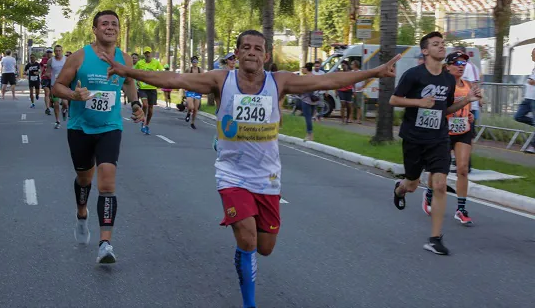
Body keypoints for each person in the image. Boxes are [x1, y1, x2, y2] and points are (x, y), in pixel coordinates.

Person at [103, 29, 399, 306]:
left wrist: (374, 71)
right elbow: (173, 79)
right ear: (237, 53)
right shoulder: (221, 80)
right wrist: (127, 71)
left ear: (266, 56)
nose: (252, 53)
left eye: (258, 49)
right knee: (247, 237)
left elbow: (328, 81)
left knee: (265, 247)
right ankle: (249, 302)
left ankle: (244, 257)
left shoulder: (279, 82)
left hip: (267, 177)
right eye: (246, 48)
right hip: (232, 174)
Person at [51, 10, 144, 264]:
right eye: (104, 23)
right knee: (84, 178)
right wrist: (73, 96)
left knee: (107, 181)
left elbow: (128, 82)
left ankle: (105, 243)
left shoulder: (124, 57)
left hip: (110, 127)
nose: (110, 27)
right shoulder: (81, 56)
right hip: (80, 128)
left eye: (114, 24)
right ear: (95, 29)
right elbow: (57, 87)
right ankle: (82, 214)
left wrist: (135, 104)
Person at [391, 32, 481, 256]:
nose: (441, 47)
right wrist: (419, 102)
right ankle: (400, 189)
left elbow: (445, 109)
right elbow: (394, 99)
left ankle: (435, 238)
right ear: (425, 50)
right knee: (412, 184)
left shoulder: (448, 79)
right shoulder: (414, 75)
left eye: (442, 43)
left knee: (440, 184)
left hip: (439, 138)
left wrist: (467, 100)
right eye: (435, 44)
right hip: (414, 138)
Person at [423, 51, 476, 225]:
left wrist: (470, 114)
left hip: (463, 131)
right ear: (448, 66)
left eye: (464, 64)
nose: (461, 67)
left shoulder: (468, 85)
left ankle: (461, 209)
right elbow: (439, 109)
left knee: (462, 168)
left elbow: (471, 105)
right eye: (457, 64)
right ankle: (429, 195)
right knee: (439, 170)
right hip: (443, 131)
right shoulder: (442, 85)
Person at [133, 46, 164, 135]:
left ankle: (146, 124)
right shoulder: (140, 63)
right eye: (146, 53)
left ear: (151, 54)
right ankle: (143, 120)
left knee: (150, 110)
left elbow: (162, 72)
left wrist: (159, 81)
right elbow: (135, 73)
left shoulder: (156, 62)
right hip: (143, 88)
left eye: (148, 53)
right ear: (144, 54)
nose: (147, 55)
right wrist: (137, 81)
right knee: (145, 105)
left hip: (152, 88)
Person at [514, 47, 535, 154]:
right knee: (518, 116)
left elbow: (532, 81)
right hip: (528, 98)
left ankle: (533, 146)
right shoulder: (534, 68)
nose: (531, 56)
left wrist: (530, 80)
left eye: (533, 54)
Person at [48, 45, 68, 129]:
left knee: (65, 103)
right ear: (54, 52)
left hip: (64, 85)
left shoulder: (66, 60)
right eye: (56, 51)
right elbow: (48, 72)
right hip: (54, 85)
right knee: (56, 104)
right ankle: (57, 121)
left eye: (59, 51)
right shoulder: (50, 61)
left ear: (62, 51)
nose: (58, 52)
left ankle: (64, 110)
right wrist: (48, 75)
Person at [300, 62, 318, 141]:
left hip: (306, 99)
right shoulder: (315, 77)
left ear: (306, 68)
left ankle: (309, 134)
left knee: (307, 118)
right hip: (314, 100)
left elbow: (302, 88)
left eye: (303, 68)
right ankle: (310, 134)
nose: (302, 69)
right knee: (310, 118)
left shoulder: (305, 77)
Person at [184, 55, 202, 129]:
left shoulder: (200, 70)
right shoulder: (189, 69)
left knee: (195, 109)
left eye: (196, 61)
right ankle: (188, 113)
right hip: (190, 90)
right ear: (191, 62)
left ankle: (192, 122)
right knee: (191, 107)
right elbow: (184, 77)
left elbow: (204, 78)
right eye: (194, 62)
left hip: (197, 90)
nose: (195, 63)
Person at [40, 49, 53, 115]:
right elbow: (42, 67)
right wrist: (41, 75)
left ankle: (51, 102)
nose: (49, 53)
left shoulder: (54, 60)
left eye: (50, 52)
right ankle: (47, 108)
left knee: (52, 93)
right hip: (45, 78)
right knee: (47, 92)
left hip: (52, 78)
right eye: (47, 52)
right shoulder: (44, 60)